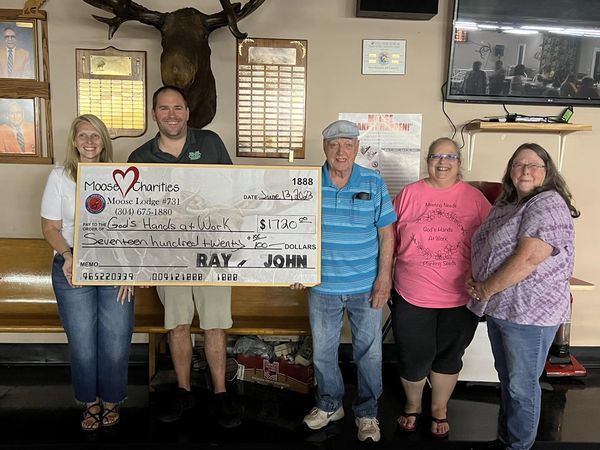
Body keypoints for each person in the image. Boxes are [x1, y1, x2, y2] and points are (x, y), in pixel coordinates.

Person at [128, 85, 240, 428]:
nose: (172, 114)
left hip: (212, 252)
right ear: (154, 114)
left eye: (178, 108)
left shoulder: (210, 143)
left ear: (188, 112)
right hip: (168, 257)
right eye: (164, 108)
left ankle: (220, 392)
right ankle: (183, 389)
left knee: (215, 324)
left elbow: (234, 190)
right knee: (177, 324)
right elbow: (132, 215)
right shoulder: (139, 158)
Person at [466, 143, 579, 450]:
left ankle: (519, 445)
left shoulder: (547, 203)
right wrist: (476, 277)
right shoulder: (509, 202)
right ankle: (506, 439)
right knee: (508, 381)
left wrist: (486, 288)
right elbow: (488, 247)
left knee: (521, 386)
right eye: (518, 164)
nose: (525, 171)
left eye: (533, 165)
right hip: (503, 308)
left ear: (547, 172)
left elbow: (528, 259)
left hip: (530, 313)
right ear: (510, 170)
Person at [290, 120, 396, 443]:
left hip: (365, 286)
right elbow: (291, 229)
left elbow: (387, 233)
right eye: (334, 144)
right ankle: (329, 404)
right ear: (324, 147)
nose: (341, 151)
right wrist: (294, 267)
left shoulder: (374, 182)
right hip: (322, 287)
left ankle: (367, 413)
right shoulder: (307, 183)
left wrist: (384, 278)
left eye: (348, 144)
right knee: (323, 351)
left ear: (357, 148)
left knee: (370, 353)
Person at [391, 138, 491, 438]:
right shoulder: (409, 194)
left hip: (461, 295)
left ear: (459, 163)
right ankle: (412, 405)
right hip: (412, 293)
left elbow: (494, 239)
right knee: (413, 354)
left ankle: (439, 409)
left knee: (450, 355)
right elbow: (388, 239)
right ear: (428, 161)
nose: (443, 161)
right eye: (436, 155)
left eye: (450, 156)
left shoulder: (474, 198)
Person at [41, 114, 134, 431]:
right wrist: (67, 255)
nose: (90, 141)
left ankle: (111, 400)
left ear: (105, 141)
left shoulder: (121, 176)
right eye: (83, 135)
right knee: (81, 341)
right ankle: (90, 402)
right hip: (71, 269)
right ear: (74, 141)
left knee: (116, 339)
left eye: (96, 135)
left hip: (114, 268)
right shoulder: (59, 177)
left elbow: (133, 228)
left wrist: (129, 271)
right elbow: (50, 228)